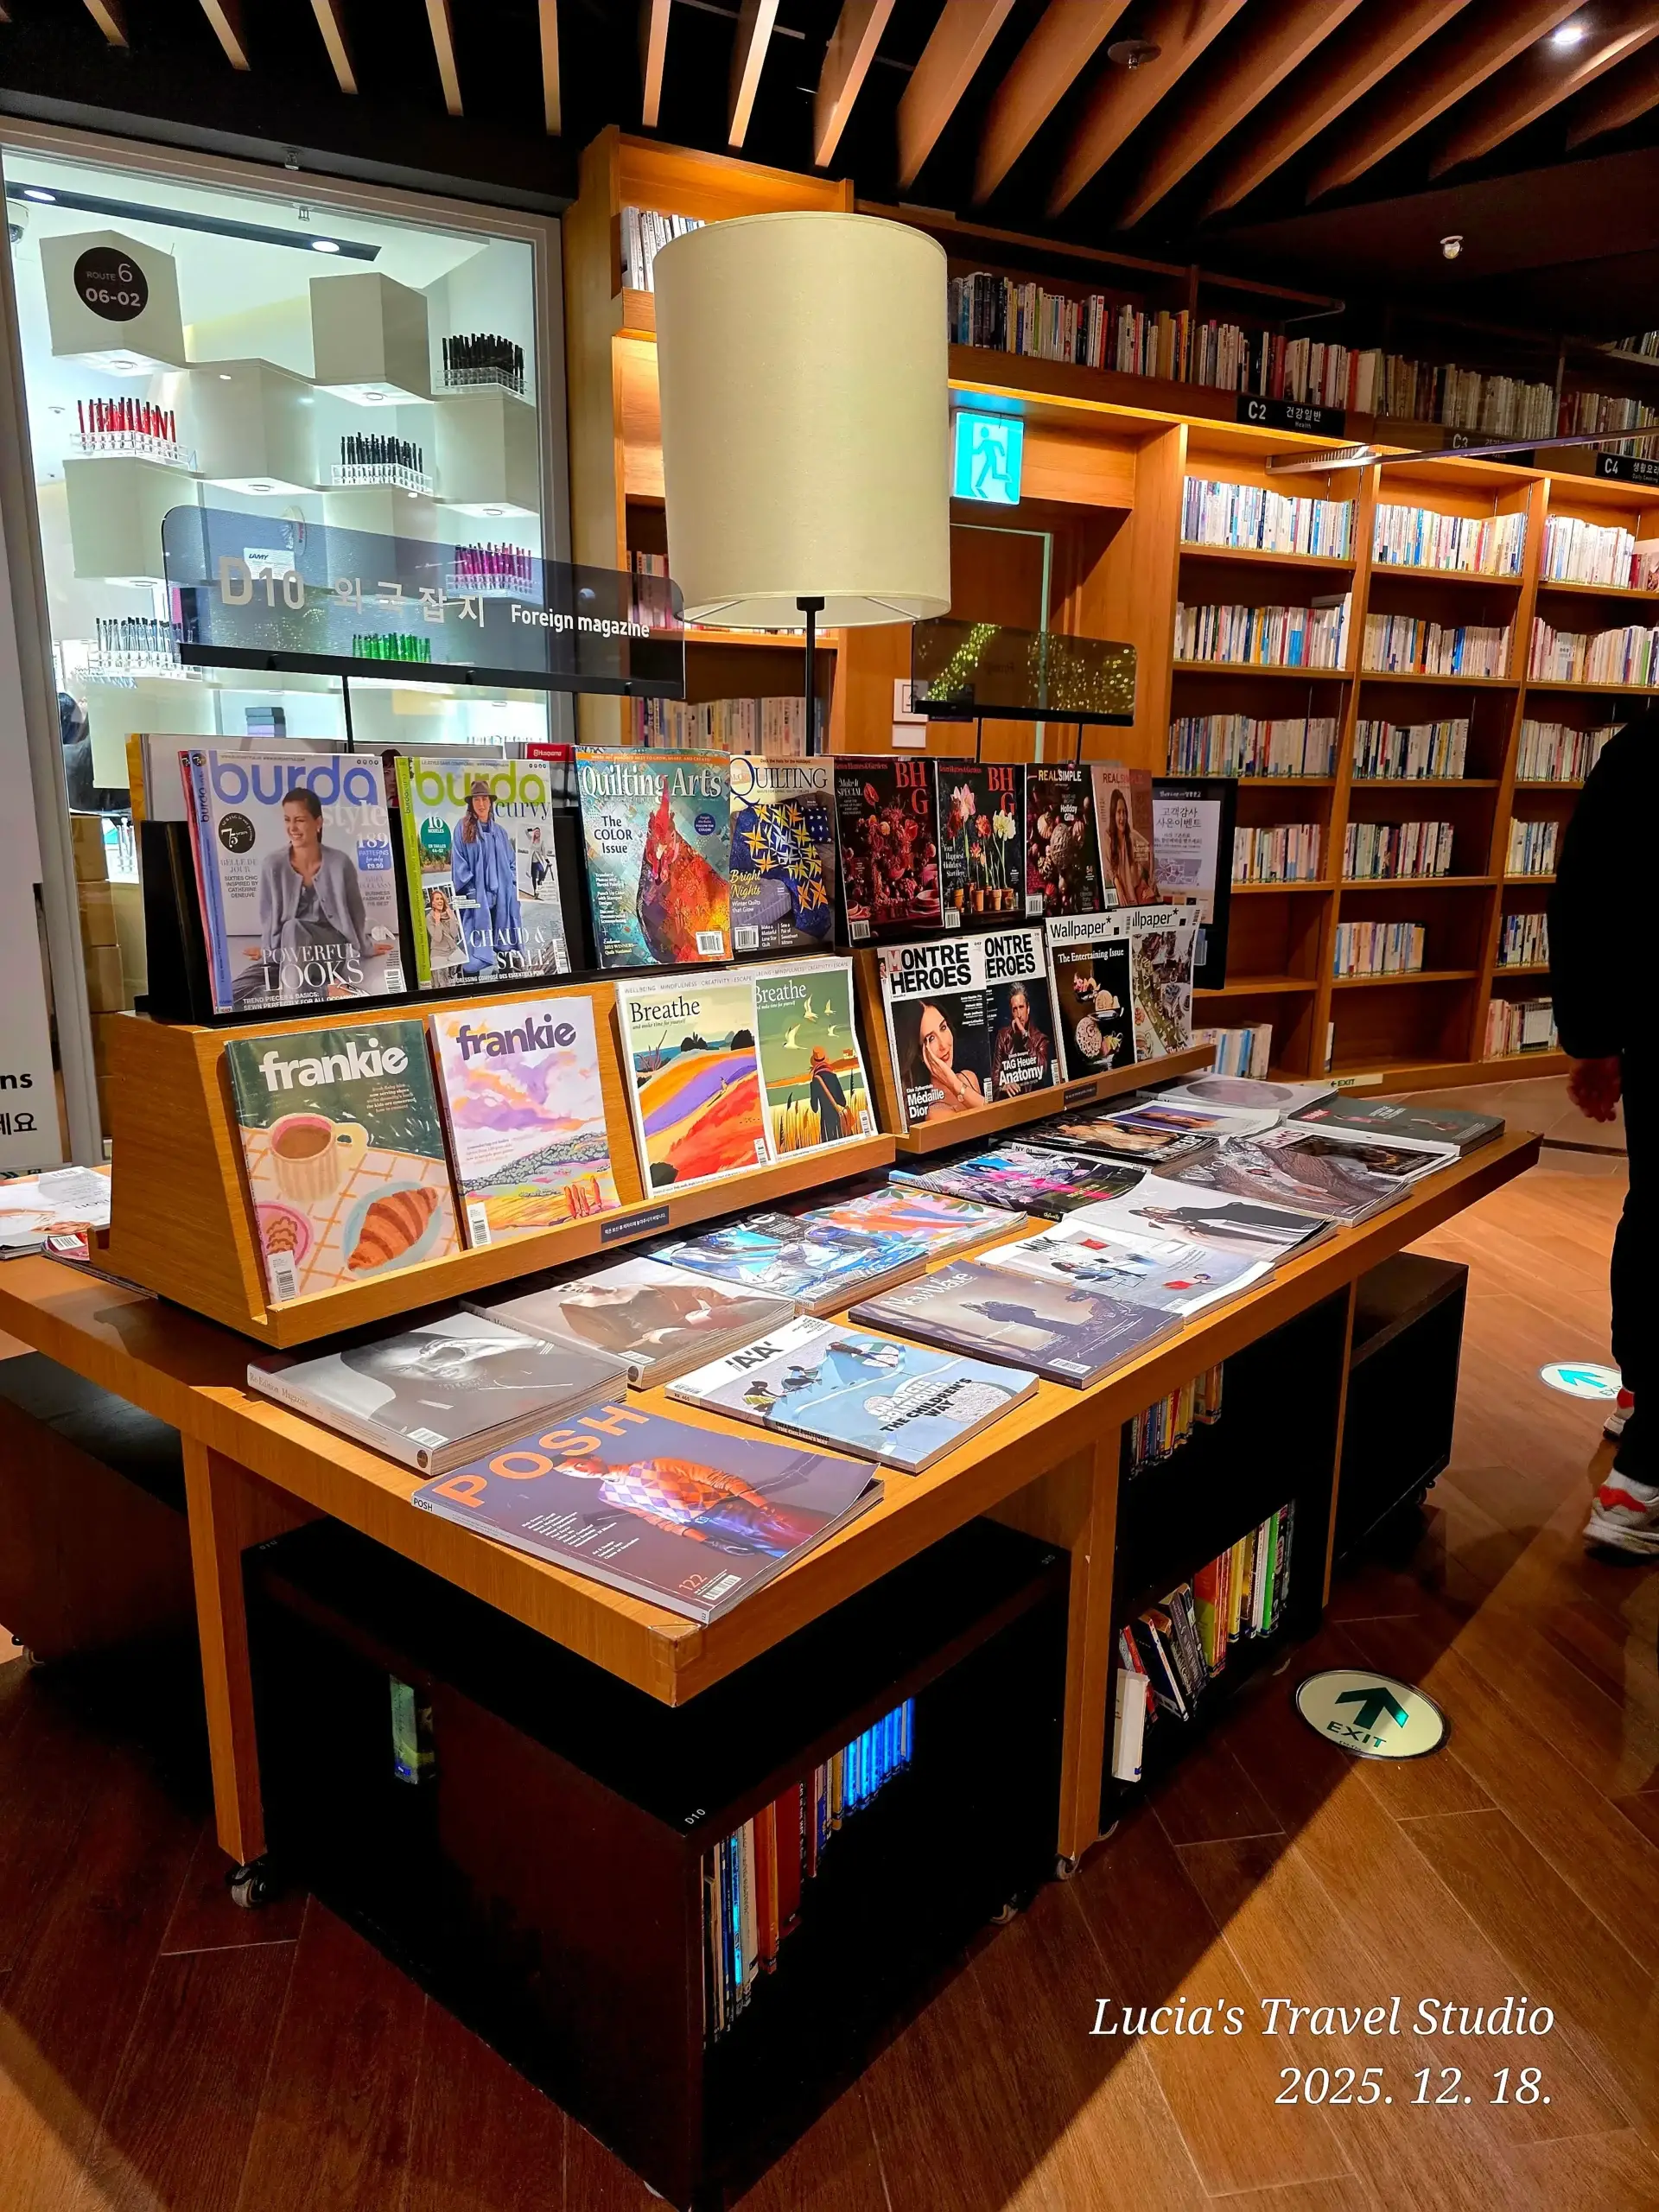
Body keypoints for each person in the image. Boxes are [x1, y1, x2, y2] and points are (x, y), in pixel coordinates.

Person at [1549, 713, 1654, 1552]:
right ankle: (1644, 1475)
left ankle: (1638, 1396)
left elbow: (1583, 890)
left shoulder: (1637, 749)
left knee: (1653, 1211)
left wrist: (1595, 1036)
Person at [250, 785, 378, 1002]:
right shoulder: (273, 864)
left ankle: (291, 1008)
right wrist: (268, 953)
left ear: (318, 823)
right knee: (241, 991)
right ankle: (312, 996)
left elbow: (356, 912)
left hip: (330, 949)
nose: (292, 827)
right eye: (287, 820)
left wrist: (366, 947)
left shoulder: (339, 863)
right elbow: (268, 915)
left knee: (293, 927)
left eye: (299, 820)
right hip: (288, 951)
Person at [450, 778, 522, 976]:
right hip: (477, 900)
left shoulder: (500, 832)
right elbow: (459, 865)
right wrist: (472, 892)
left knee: (504, 947)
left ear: (490, 802)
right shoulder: (462, 829)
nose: (481, 804)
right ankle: (469, 989)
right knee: (473, 950)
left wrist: (512, 887)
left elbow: (512, 863)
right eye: (476, 800)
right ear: (471, 804)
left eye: (484, 799)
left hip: (502, 900)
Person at [905, 1000, 983, 1120]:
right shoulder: (934, 1111)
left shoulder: (969, 1078)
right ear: (920, 1054)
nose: (944, 1045)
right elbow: (991, 1120)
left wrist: (955, 1084)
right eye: (931, 1038)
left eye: (943, 1027)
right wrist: (954, 1084)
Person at [989, 982, 1053, 1097]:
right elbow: (995, 1077)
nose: (1019, 1014)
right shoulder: (1003, 1036)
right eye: (1015, 1009)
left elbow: (1042, 1069)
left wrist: (1025, 1036)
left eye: (1021, 1007)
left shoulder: (1040, 1038)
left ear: (1028, 1009)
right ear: (1012, 1012)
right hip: (1011, 1101)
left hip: (1034, 1100)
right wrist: (1004, 1085)